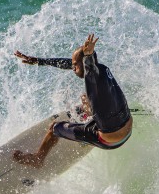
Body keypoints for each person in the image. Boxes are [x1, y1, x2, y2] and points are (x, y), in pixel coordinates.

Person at [12, 34, 133, 168]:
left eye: (75, 65)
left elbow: (89, 67)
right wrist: (39, 61)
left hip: (110, 139)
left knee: (54, 128)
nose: (73, 68)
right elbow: (72, 63)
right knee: (85, 104)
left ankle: (38, 158)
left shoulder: (92, 73)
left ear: (86, 64)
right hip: (127, 129)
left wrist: (88, 54)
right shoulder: (103, 69)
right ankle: (87, 118)